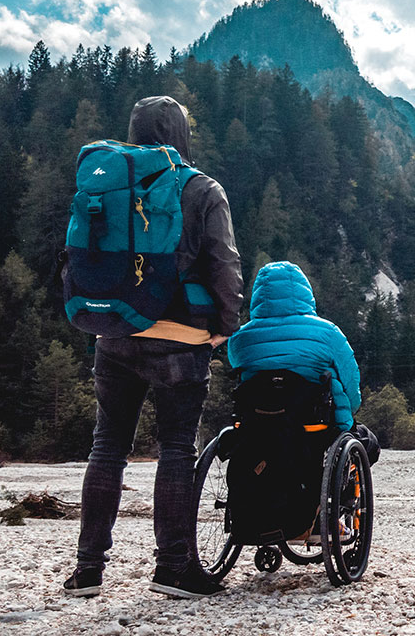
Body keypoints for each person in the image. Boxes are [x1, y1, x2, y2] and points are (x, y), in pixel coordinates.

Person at [63, 96, 243, 600]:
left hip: (115, 331)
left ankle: (88, 570)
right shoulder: (201, 188)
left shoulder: (108, 178)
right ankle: (173, 569)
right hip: (181, 336)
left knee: (107, 446)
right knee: (176, 450)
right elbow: (223, 263)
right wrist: (225, 325)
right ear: (182, 133)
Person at [227, 261, 362, 432]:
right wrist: (352, 407)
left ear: (258, 295)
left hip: (256, 420)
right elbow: (350, 376)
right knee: (366, 441)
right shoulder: (328, 332)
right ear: (305, 292)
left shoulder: (239, 337)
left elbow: (236, 368)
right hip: (314, 420)